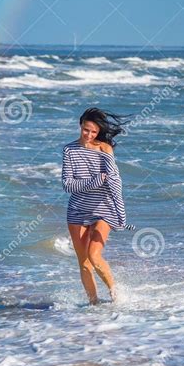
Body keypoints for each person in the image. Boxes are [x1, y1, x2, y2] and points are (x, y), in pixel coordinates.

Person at [61, 107, 130, 305]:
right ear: (80, 125)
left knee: (94, 255)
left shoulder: (105, 149)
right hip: (77, 210)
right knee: (83, 263)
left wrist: (121, 214)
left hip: (103, 208)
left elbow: (115, 182)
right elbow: (67, 184)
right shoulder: (69, 150)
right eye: (86, 130)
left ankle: (116, 296)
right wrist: (94, 181)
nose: (89, 135)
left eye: (94, 132)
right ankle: (94, 304)